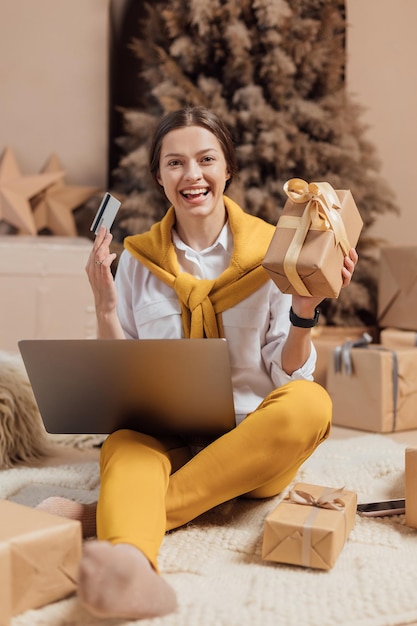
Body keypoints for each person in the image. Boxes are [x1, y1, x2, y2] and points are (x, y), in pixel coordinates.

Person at [38, 106, 358, 620]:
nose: (192, 175)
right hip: (168, 437)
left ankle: (106, 518)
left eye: (206, 159)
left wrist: (303, 313)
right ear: (159, 177)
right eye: (175, 163)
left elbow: (288, 374)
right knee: (124, 443)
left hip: (249, 448)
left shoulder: (276, 256)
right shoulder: (137, 263)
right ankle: (135, 571)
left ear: (227, 169)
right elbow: (122, 379)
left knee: (310, 402)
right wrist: (104, 305)